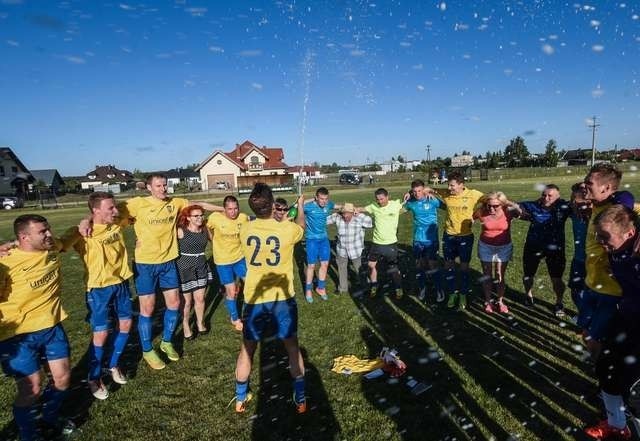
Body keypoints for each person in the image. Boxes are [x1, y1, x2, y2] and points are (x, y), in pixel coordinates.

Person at [91, 174, 220, 370]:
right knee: (148, 308)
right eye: (158, 186)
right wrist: (86, 222)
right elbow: (105, 212)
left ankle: (167, 342)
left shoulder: (175, 202)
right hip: (145, 264)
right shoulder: (137, 204)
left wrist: (224, 210)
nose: (163, 189)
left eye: (165, 185)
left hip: (169, 262)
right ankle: (147, 349)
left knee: (175, 304)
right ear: (149, 188)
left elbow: (199, 204)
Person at [233, 185, 307, 414]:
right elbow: (301, 227)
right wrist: (300, 206)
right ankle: (301, 398)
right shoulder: (286, 229)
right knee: (292, 348)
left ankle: (240, 398)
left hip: (254, 299)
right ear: (273, 203)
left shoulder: (244, 229)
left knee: (247, 350)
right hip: (282, 299)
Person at [0, 215, 74, 440]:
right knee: (31, 388)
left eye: (48, 229)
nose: (49, 235)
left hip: (52, 327)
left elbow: (67, 240)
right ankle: (29, 435)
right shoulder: (6, 263)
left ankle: (49, 418)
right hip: (17, 337)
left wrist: (83, 225)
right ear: (24, 237)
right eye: (43, 232)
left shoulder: (51, 248)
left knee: (62, 379)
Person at [62, 192, 133, 400]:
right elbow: (57, 245)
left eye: (115, 207)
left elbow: (133, 211)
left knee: (126, 325)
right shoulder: (81, 231)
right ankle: (93, 377)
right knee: (101, 333)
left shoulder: (117, 222)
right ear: (96, 210)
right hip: (98, 289)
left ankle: (113, 365)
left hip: (120, 282)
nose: (115, 210)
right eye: (110, 208)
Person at [584, 205, 639, 440]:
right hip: (626, 319)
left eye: (605, 238)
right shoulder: (620, 243)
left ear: (629, 233)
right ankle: (617, 426)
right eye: (598, 237)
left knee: (635, 388)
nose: (601, 243)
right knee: (606, 368)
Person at [579, 164, 634, 360]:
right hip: (591, 283)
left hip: (610, 291)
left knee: (595, 339)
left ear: (607, 188)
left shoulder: (619, 207)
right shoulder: (598, 205)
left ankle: (602, 377)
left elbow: (627, 199)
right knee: (585, 332)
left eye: (589, 183)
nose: (584, 185)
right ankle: (599, 365)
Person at [517, 184, 570, 315]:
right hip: (533, 246)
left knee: (557, 278)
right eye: (544, 195)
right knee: (528, 275)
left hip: (555, 248)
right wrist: (519, 212)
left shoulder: (563, 207)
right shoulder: (534, 205)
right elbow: (515, 206)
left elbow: (581, 206)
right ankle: (528, 295)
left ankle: (559, 302)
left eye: (550, 196)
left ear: (558, 197)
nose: (546, 198)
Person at [438, 171, 484, 310]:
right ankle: (452, 293)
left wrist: (475, 215)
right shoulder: (446, 193)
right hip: (449, 236)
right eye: (448, 185)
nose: (449, 188)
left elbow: (490, 200)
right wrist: (410, 193)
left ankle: (463, 294)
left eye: (452, 186)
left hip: (465, 236)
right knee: (449, 266)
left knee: (464, 267)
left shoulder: (473, 194)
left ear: (461, 185)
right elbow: (427, 189)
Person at [473, 192, 520, 314]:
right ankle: (488, 301)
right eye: (489, 205)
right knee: (487, 275)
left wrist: (509, 203)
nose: (492, 208)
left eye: (496, 206)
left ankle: (500, 301)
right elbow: (471, 218)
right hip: (486, 246)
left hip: (504, 247)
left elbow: (521, 212)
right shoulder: (481, 211)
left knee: (500, 275)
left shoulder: (508, 211)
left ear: (502, 204)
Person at [207, 195, 249, 331]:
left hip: (239, 258)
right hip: (223, 261)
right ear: (224, 209)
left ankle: (250, 311)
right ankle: (235, 318)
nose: (233, 212)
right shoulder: (215, 218)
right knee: (231, 292)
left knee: (250, 284)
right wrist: (211, 238)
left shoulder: (243, 218)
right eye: (230, 209)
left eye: (236, 208)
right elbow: (207, 226)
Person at [359, 188, 405, 299]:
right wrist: (354, 209)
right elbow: (362, 209)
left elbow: (409, 197)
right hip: (376, 243)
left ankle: (398, 287)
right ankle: (374, 285)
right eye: (378, 199)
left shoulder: (395, 204)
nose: (380, 201)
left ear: (387, 196)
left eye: (382, 199)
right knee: (371, 265)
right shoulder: (374, 206)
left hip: (391, 243)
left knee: (393, 267)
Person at [403, 179, 444, 302]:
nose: (417, 193)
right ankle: (422, 288)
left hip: (431, 239)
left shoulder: (432, 200)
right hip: (417, 240)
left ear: (424, 189)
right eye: (414, 191)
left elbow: (448, 207)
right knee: (419, 264)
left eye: (419, 191)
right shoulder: (411, 203)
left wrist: (432, 191)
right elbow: (397, 211)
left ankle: (438, 289)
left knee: (432, 264)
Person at [177, 205, 213, 340]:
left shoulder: (205, 229)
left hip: (201, 265)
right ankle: (186, 324)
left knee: (200, 298)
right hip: (184, 267)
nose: (200, 218)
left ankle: (200, 322)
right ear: (188, 218)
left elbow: (216, 241)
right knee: (186, 302)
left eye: (201, 215)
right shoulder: (181, 231)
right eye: (196, 216)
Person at [326, 202, 372, 294]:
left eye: (348, 213)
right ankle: (343, 288)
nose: (345, 216)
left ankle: (366, 286)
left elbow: (370, 223)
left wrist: (358, 214)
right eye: (343, 213)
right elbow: (323, 220)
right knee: (341, 268)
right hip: (341, 249)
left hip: (356, 250)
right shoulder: (338, 217)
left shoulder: (359, 218)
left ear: (352, 212)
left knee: (359, 268)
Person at [302, 187, 337, 303]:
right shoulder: (308, 207)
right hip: (311, 240)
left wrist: (352, 208)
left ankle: (320, 288)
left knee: (325, 264)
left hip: (324, 240)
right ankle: (308, 290)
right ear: (316, 198)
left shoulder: (328, 205)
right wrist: (308, 200)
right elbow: (297, 205)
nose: (324, 202)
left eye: (326, 199)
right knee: (311, 266)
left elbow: (339, 207)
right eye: (321, 199)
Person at [568, 182, 592, 309]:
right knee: (576, 291)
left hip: (598, 261)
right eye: (580, 188)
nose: (584, 190)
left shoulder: (602, 208)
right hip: (579, 258)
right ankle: (584, 314)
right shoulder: (573, 210)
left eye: (586, 188)